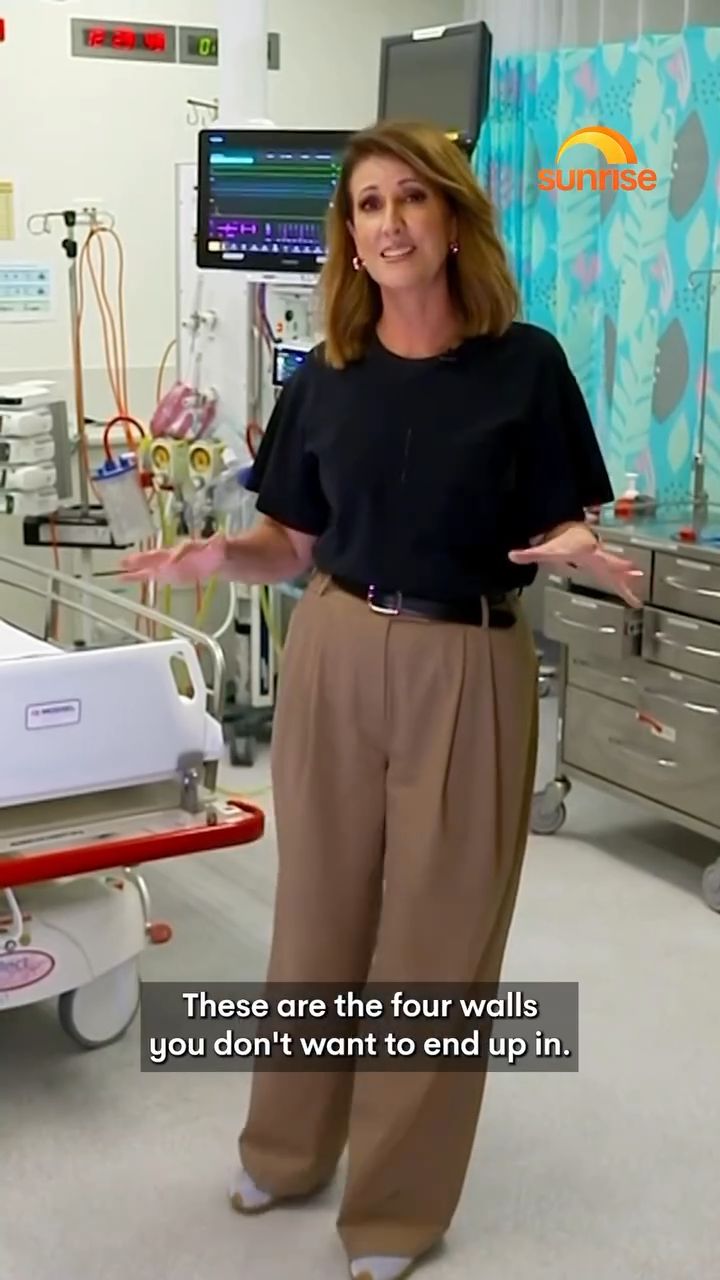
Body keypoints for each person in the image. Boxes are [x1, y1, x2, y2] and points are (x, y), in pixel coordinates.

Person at [122, 121, 641, 1280]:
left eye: (412, 197)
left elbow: (562, 516)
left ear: (452, 219)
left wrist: (574, 545)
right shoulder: (326, 377)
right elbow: (290, 540)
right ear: (349, 238)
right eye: (368, 204)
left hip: (469, 656)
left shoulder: (526, 365)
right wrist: (220, 555)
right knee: (317, 913)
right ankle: (289, 1146)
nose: (391, 221)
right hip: (339, 643)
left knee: (439, 940)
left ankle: (397, 1206)